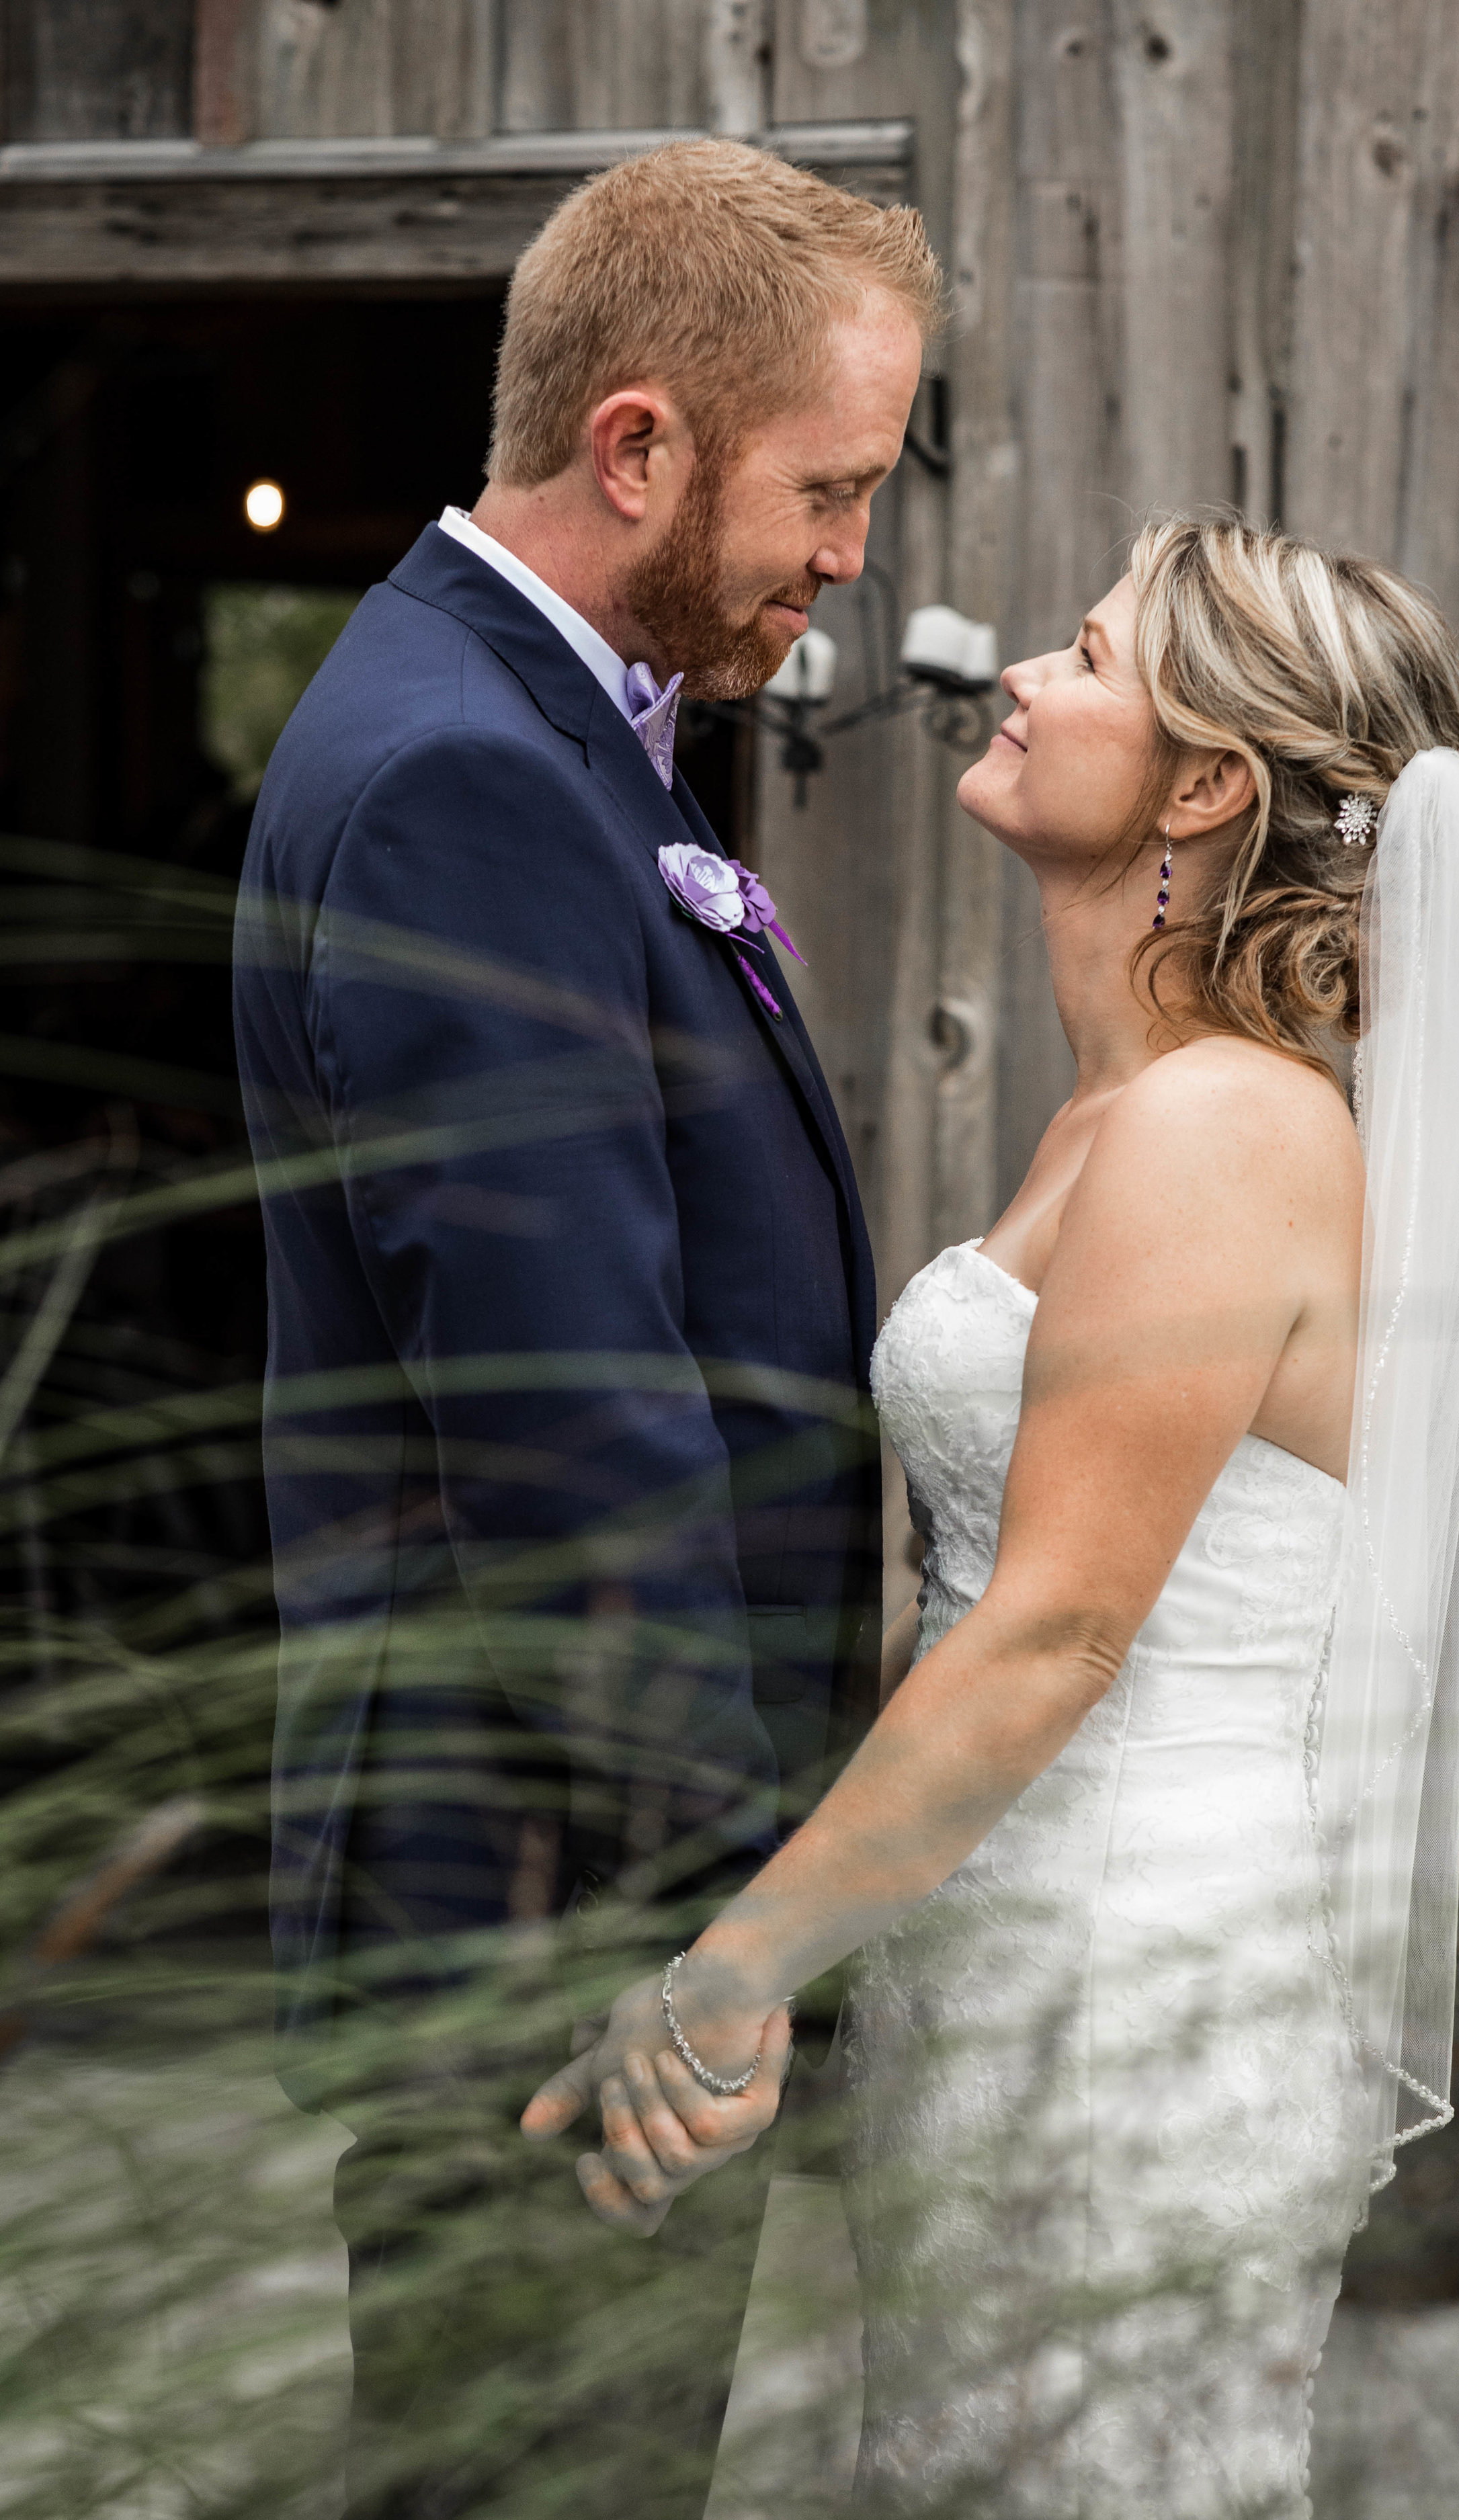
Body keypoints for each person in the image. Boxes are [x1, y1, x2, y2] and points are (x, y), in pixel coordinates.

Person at [528, 517, 1459, 2515]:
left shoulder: (1223, 1126)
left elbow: (1057, 1628)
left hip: (1130, 1984)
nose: (1021, 678)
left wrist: (723, 1984)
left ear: (1204, 783)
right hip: (998, 1955)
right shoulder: (1117, 1113)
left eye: (1085, 654)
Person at [232, 139, 939, 2519]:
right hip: (559, 1921)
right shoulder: (464, 779)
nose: (851, 557)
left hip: (556, 1900)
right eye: (827, 488)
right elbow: (569, 1438)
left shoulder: (508, 725)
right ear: (636, 443)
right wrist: (719, 1944)